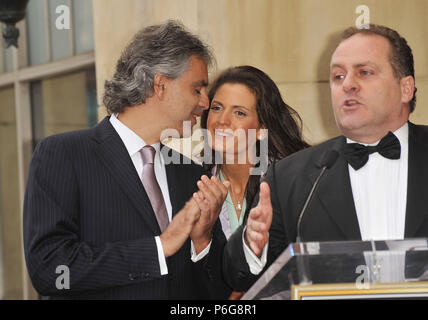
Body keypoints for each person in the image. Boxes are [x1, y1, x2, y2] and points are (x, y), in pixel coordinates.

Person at [23, 20, 231, 300]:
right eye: (197, 89)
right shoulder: (64, 155)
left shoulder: (192, 175)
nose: (205, 103)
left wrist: (202, 240)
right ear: (160, 85)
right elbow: (51, 269)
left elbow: (217, 293)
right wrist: (159, 247)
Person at [223, 24, 428, 292]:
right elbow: (237, 278)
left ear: (406, 88)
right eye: (338, 76)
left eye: (364, 72)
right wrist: (251, 245)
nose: (348, 84)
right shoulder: (289, 178)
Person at [199, 66, 309, 298]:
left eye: (239, 113)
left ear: (261, 129)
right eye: (216, 108)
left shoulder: (294, 181)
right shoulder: (195, 182)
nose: (222, 121)